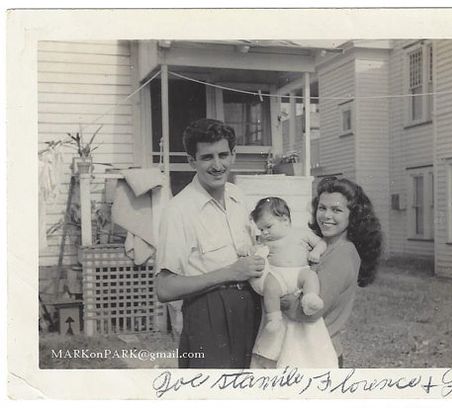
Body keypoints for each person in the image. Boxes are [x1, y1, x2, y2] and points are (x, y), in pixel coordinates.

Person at [155, 118, 265, 368]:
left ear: (233, 155)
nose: (217, 165)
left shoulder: (239, 197)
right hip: (208, 312)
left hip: (251, 306)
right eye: (207, 157)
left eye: (223, 155)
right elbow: (164, 288)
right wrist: (229, 273)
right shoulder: (178, 211)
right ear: (191, 160)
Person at [281, 177, 382, 368]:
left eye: (336, 210)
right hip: (306, 347)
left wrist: (276, 300)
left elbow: (310, 311)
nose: (326, 216)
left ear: (354, 215)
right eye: (322, 208)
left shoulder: (343, 252)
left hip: (318, 354)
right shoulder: (323, 246)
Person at [245, 197, 338, 368]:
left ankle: (310, 298)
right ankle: (274, 318)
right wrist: (250, 250)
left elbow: (322, 242)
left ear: (285, 220)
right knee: (270, 287)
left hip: (299, 273)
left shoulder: (301, 233)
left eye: (268, 227)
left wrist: (316, 251)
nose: (264, 232)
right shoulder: (266, 241)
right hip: (278, 275)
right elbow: (256, 251)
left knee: (311, 277)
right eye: (261, 229)